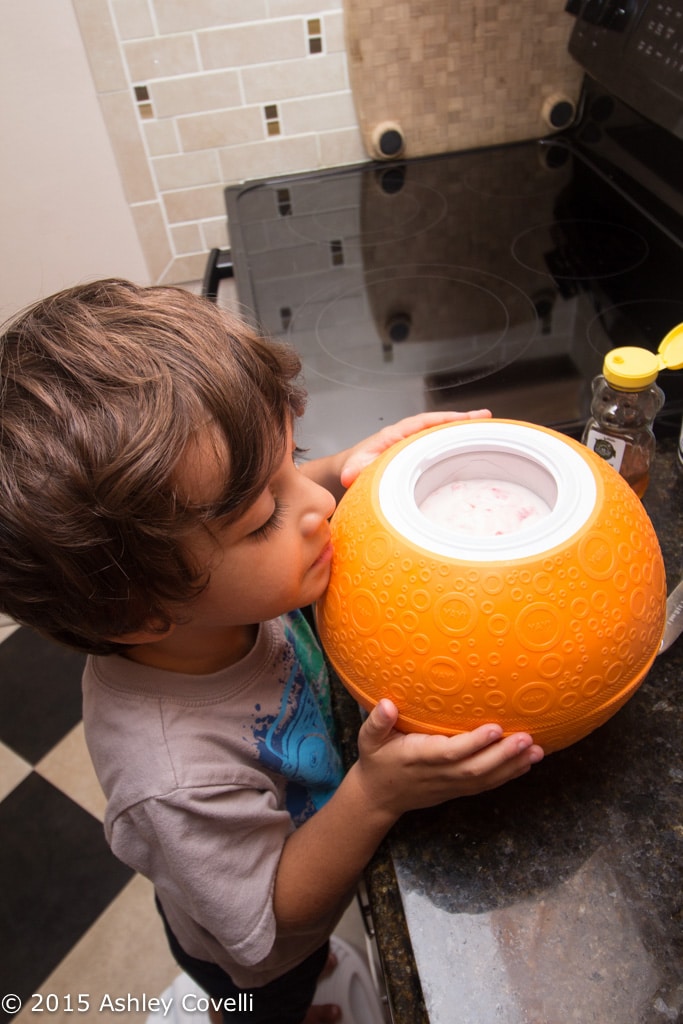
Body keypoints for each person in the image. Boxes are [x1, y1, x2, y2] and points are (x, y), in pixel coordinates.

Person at [0, 280, 544, 1024]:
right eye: (264, 519)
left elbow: (284, 498)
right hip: (256, 955)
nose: (318, 504)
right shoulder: (170, 777)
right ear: (141, 611)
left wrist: (349, 461)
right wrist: (375, 795)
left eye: (298, 460)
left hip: (285, 837)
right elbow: (260, 927)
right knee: (276, 998)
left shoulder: (205, 600)